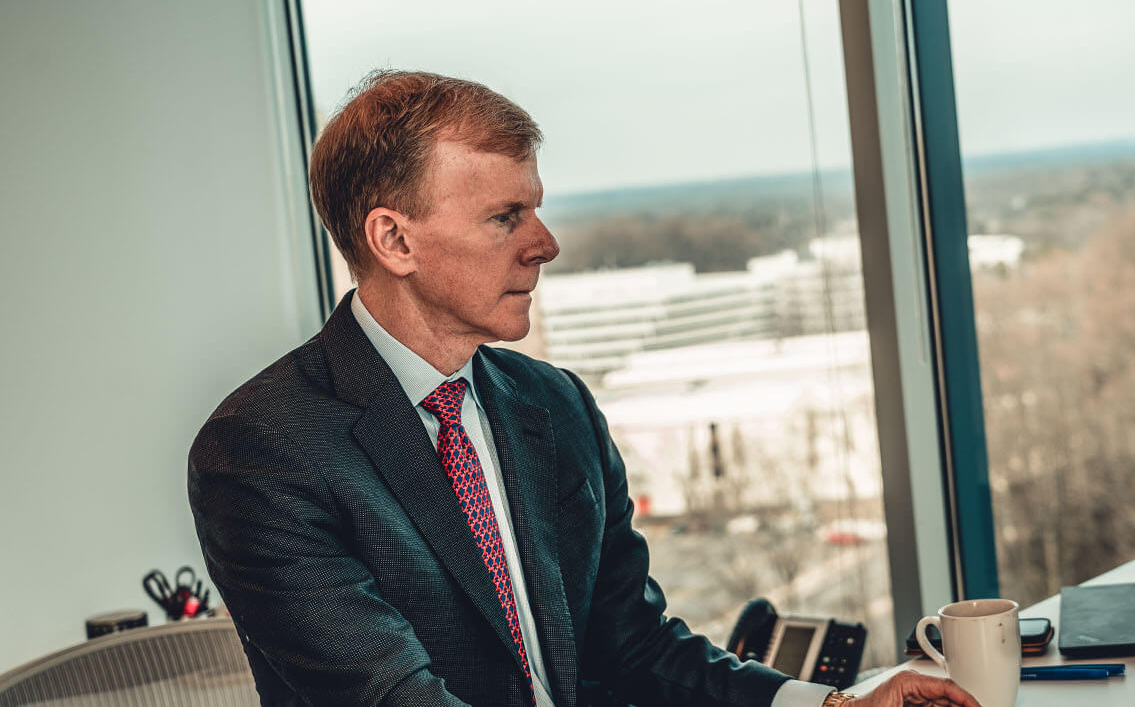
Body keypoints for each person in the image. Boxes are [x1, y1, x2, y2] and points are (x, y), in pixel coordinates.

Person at [188, 70, 979, 707]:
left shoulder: (554, 406)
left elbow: (633, 647)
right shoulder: (264, 450)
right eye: (506, 217)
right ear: (393, 239)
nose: (546, 244)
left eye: (536, 209)